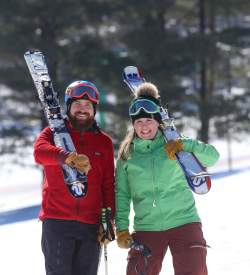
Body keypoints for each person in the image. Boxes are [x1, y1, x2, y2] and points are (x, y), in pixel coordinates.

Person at [115, 82, 220, 275]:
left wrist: (184, 145)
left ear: (157, 121)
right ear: (133, 124)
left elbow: (213, 157)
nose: (144, 126)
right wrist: (121, 229)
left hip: (184, 222)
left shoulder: (174, 144)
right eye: (138, 121)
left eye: (148, 120)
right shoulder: (127, 156)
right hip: (147, 228)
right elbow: (122, 195)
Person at [34, 80, 115, 275]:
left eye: (87, 105)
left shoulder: (104, 142)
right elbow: (39, 153)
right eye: (77, 104)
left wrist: (109, 220)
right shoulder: (53, 133)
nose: (82, 109)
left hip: (90, 224)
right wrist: (66, 157)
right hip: (57, 222)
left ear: (94, 109)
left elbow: (108, 184)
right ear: (69, 107)